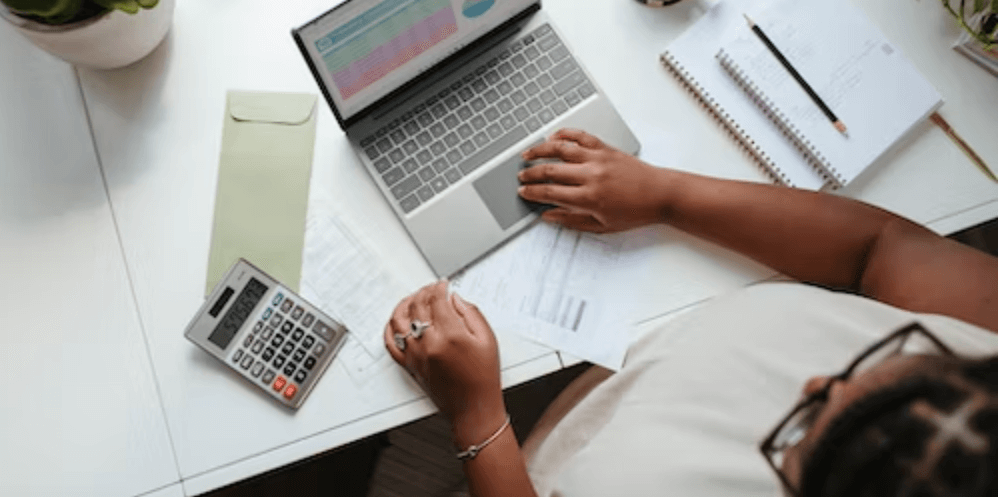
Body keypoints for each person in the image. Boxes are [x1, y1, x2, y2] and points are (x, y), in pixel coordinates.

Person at [384, 129, 998, 497]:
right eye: (894, 356)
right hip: (625, 357)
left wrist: (477, 418)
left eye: (808, 429)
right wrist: (665, 196)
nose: (812, 383)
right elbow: (880, 248)